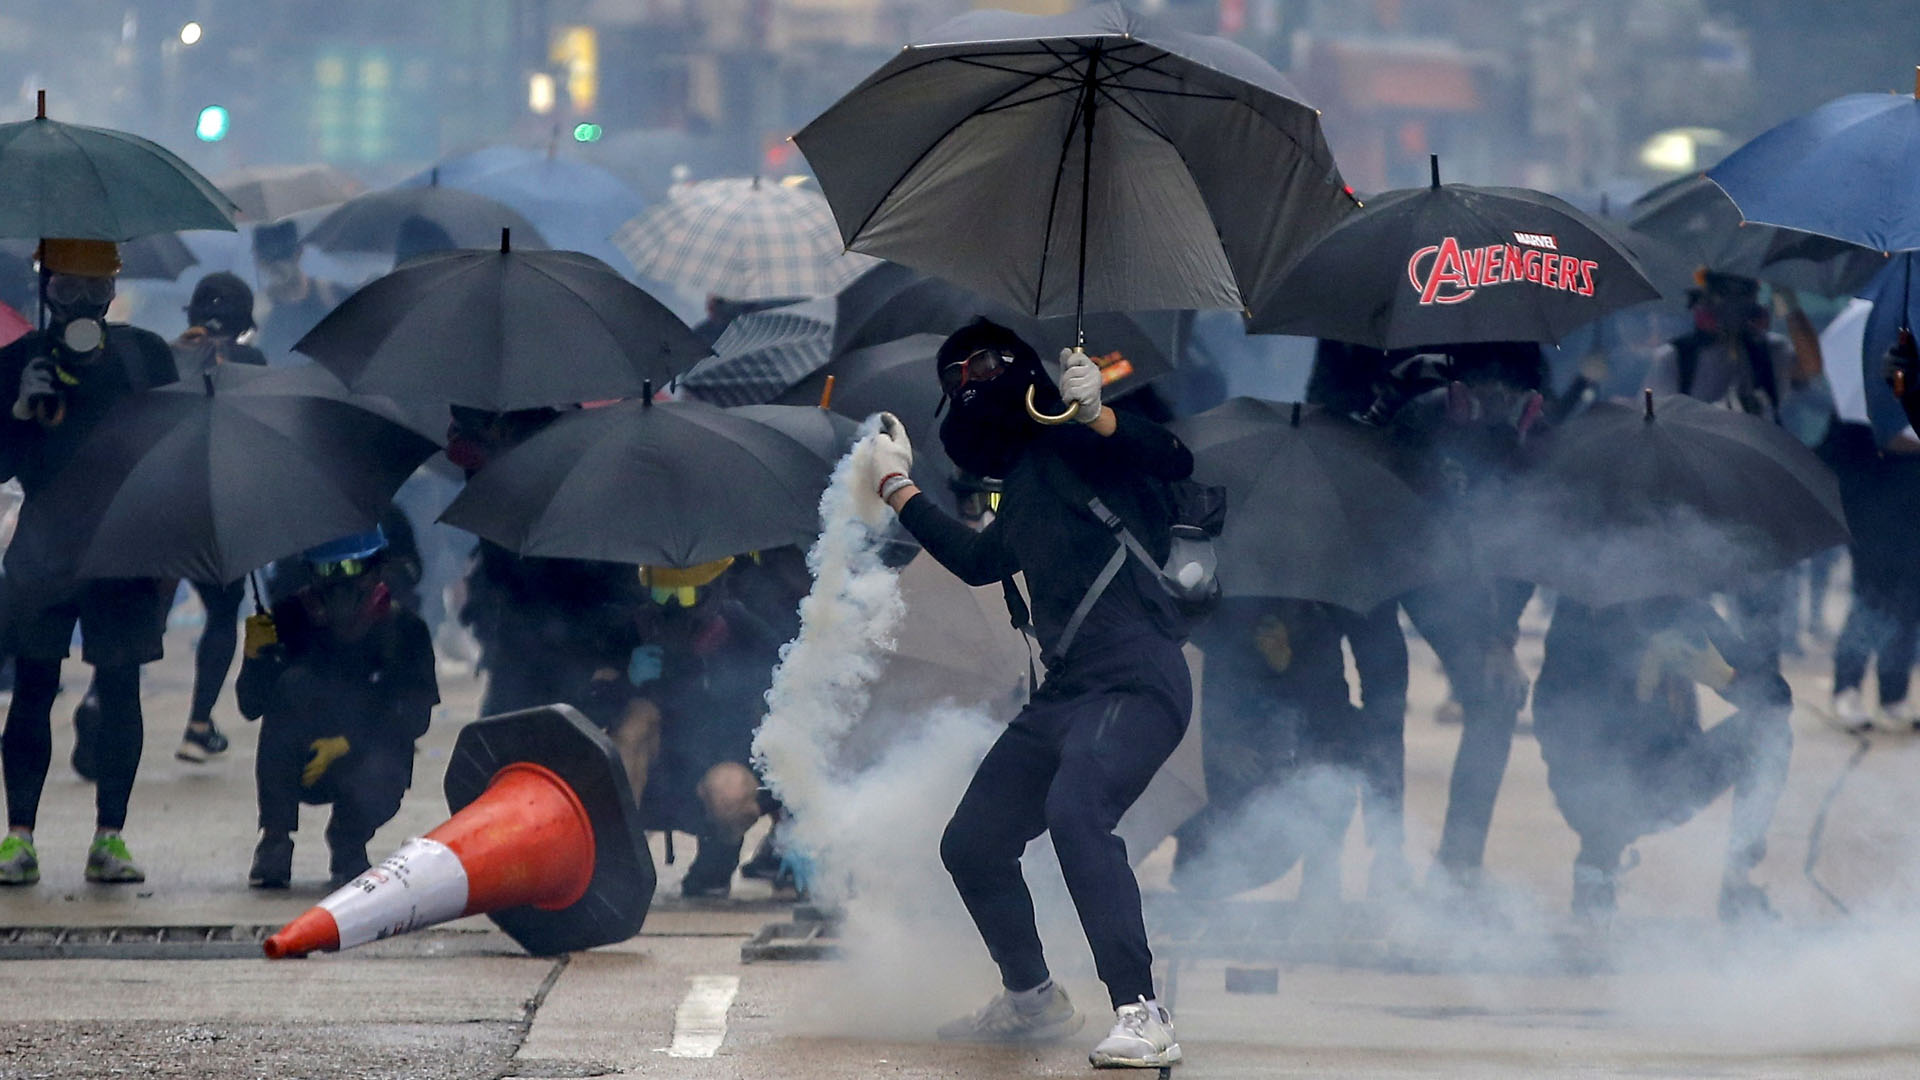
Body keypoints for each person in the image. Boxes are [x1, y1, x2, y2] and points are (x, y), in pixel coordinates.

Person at [872, 318, 1191, 1069]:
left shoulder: (1082, 444)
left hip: (1138, 676)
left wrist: (1098, 411)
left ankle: (1143, 1010)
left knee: (1077, 811)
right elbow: (983, 560)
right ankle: (1032, 999)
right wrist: (899, 489)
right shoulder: (1024, 480)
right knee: (974, 844)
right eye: (954, 377)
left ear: (1018, 368)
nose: (968, 384)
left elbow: (1172, 456)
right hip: (1068, 689)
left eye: (982, 366)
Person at [0, 238, 177, 884]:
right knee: (33, 690)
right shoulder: (19, 361)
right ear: (45, 287)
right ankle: (19, 835)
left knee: (120, 689)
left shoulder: (142, 357)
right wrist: (19, 412)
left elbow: (174, 450)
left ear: (113, 292)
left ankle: (111, 836)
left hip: (122, 548)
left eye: (94, 289)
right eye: (68, 288)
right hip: (44, 550)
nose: (81, 302)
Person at [1531, 595, 1792, 926]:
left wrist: (1727, 676)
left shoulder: (1681, 604)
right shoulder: (1582, 614)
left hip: (1671, 776)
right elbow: (1553, 717)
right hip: (1594, 790)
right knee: (1599, 784)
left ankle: (1738, 882)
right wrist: (1638, 678)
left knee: (1769, 732)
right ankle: (1597, 867)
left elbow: (1776, 700)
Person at [1172, 597, 1409, 904]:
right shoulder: (1219, 625)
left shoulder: (1318, 630)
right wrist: (1220, 748)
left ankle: (1323, 877)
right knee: (1203, 875)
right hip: (1236, 774)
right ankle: (1204, 867)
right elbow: (1194, 705)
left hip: (1296, 766)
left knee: (1332, 770)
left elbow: (1335, 713)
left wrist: (1319, 753)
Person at [237, 528, 438, 888]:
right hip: (301, 761)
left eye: (350, 569)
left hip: (366, 764)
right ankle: (275, 839)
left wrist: (349, 743)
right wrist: (255, 657)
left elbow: (415, 718)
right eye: (328, 572)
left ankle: (349, 842)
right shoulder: (288, 619)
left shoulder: (404, 629)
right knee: (291, 684)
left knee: (386, 762)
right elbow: (251, 706)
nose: (340, 585)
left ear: (374, 571)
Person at [169, 272, 268, 763]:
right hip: (220, 507)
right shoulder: (253, 364)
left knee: (136, 618)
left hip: (161, 502)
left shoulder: (169, 357)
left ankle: (98, 708)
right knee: (222, 615)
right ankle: (199, 721)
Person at [1824, 421, 1920, 731]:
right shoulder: (1868, 392)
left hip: (1912, 508)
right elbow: (1845, 446)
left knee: (1908, 605)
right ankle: (1847, 687)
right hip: (1871, 508)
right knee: (1870, 598)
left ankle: (1894, 694)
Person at [251, 221, 349, 362]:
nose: (275, 264)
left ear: (299, 252)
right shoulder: (257, 310)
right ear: (258, 260)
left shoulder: (330, 293)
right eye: (266, 257)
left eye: (282, 254)